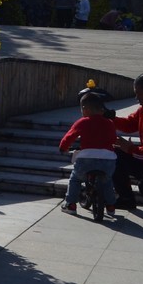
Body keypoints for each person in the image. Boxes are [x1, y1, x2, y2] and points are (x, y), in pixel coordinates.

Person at [58, 88, 118, 216]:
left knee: (75, 179)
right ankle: (111, 206)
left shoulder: (82, 122)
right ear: (101, 109)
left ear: (85, 109)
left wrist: (63, 148)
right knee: (107, 181)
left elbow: (69, 137)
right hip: (108, 160)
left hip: (86, 159)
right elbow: (113, 139)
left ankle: (71, 204)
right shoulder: (109, 123)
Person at [109, 72, 143, 208]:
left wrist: (130, 148)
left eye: (138, 93)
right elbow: (129, 124)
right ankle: (126, 199)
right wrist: (110, 118)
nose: (136, 98)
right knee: (114, 155)